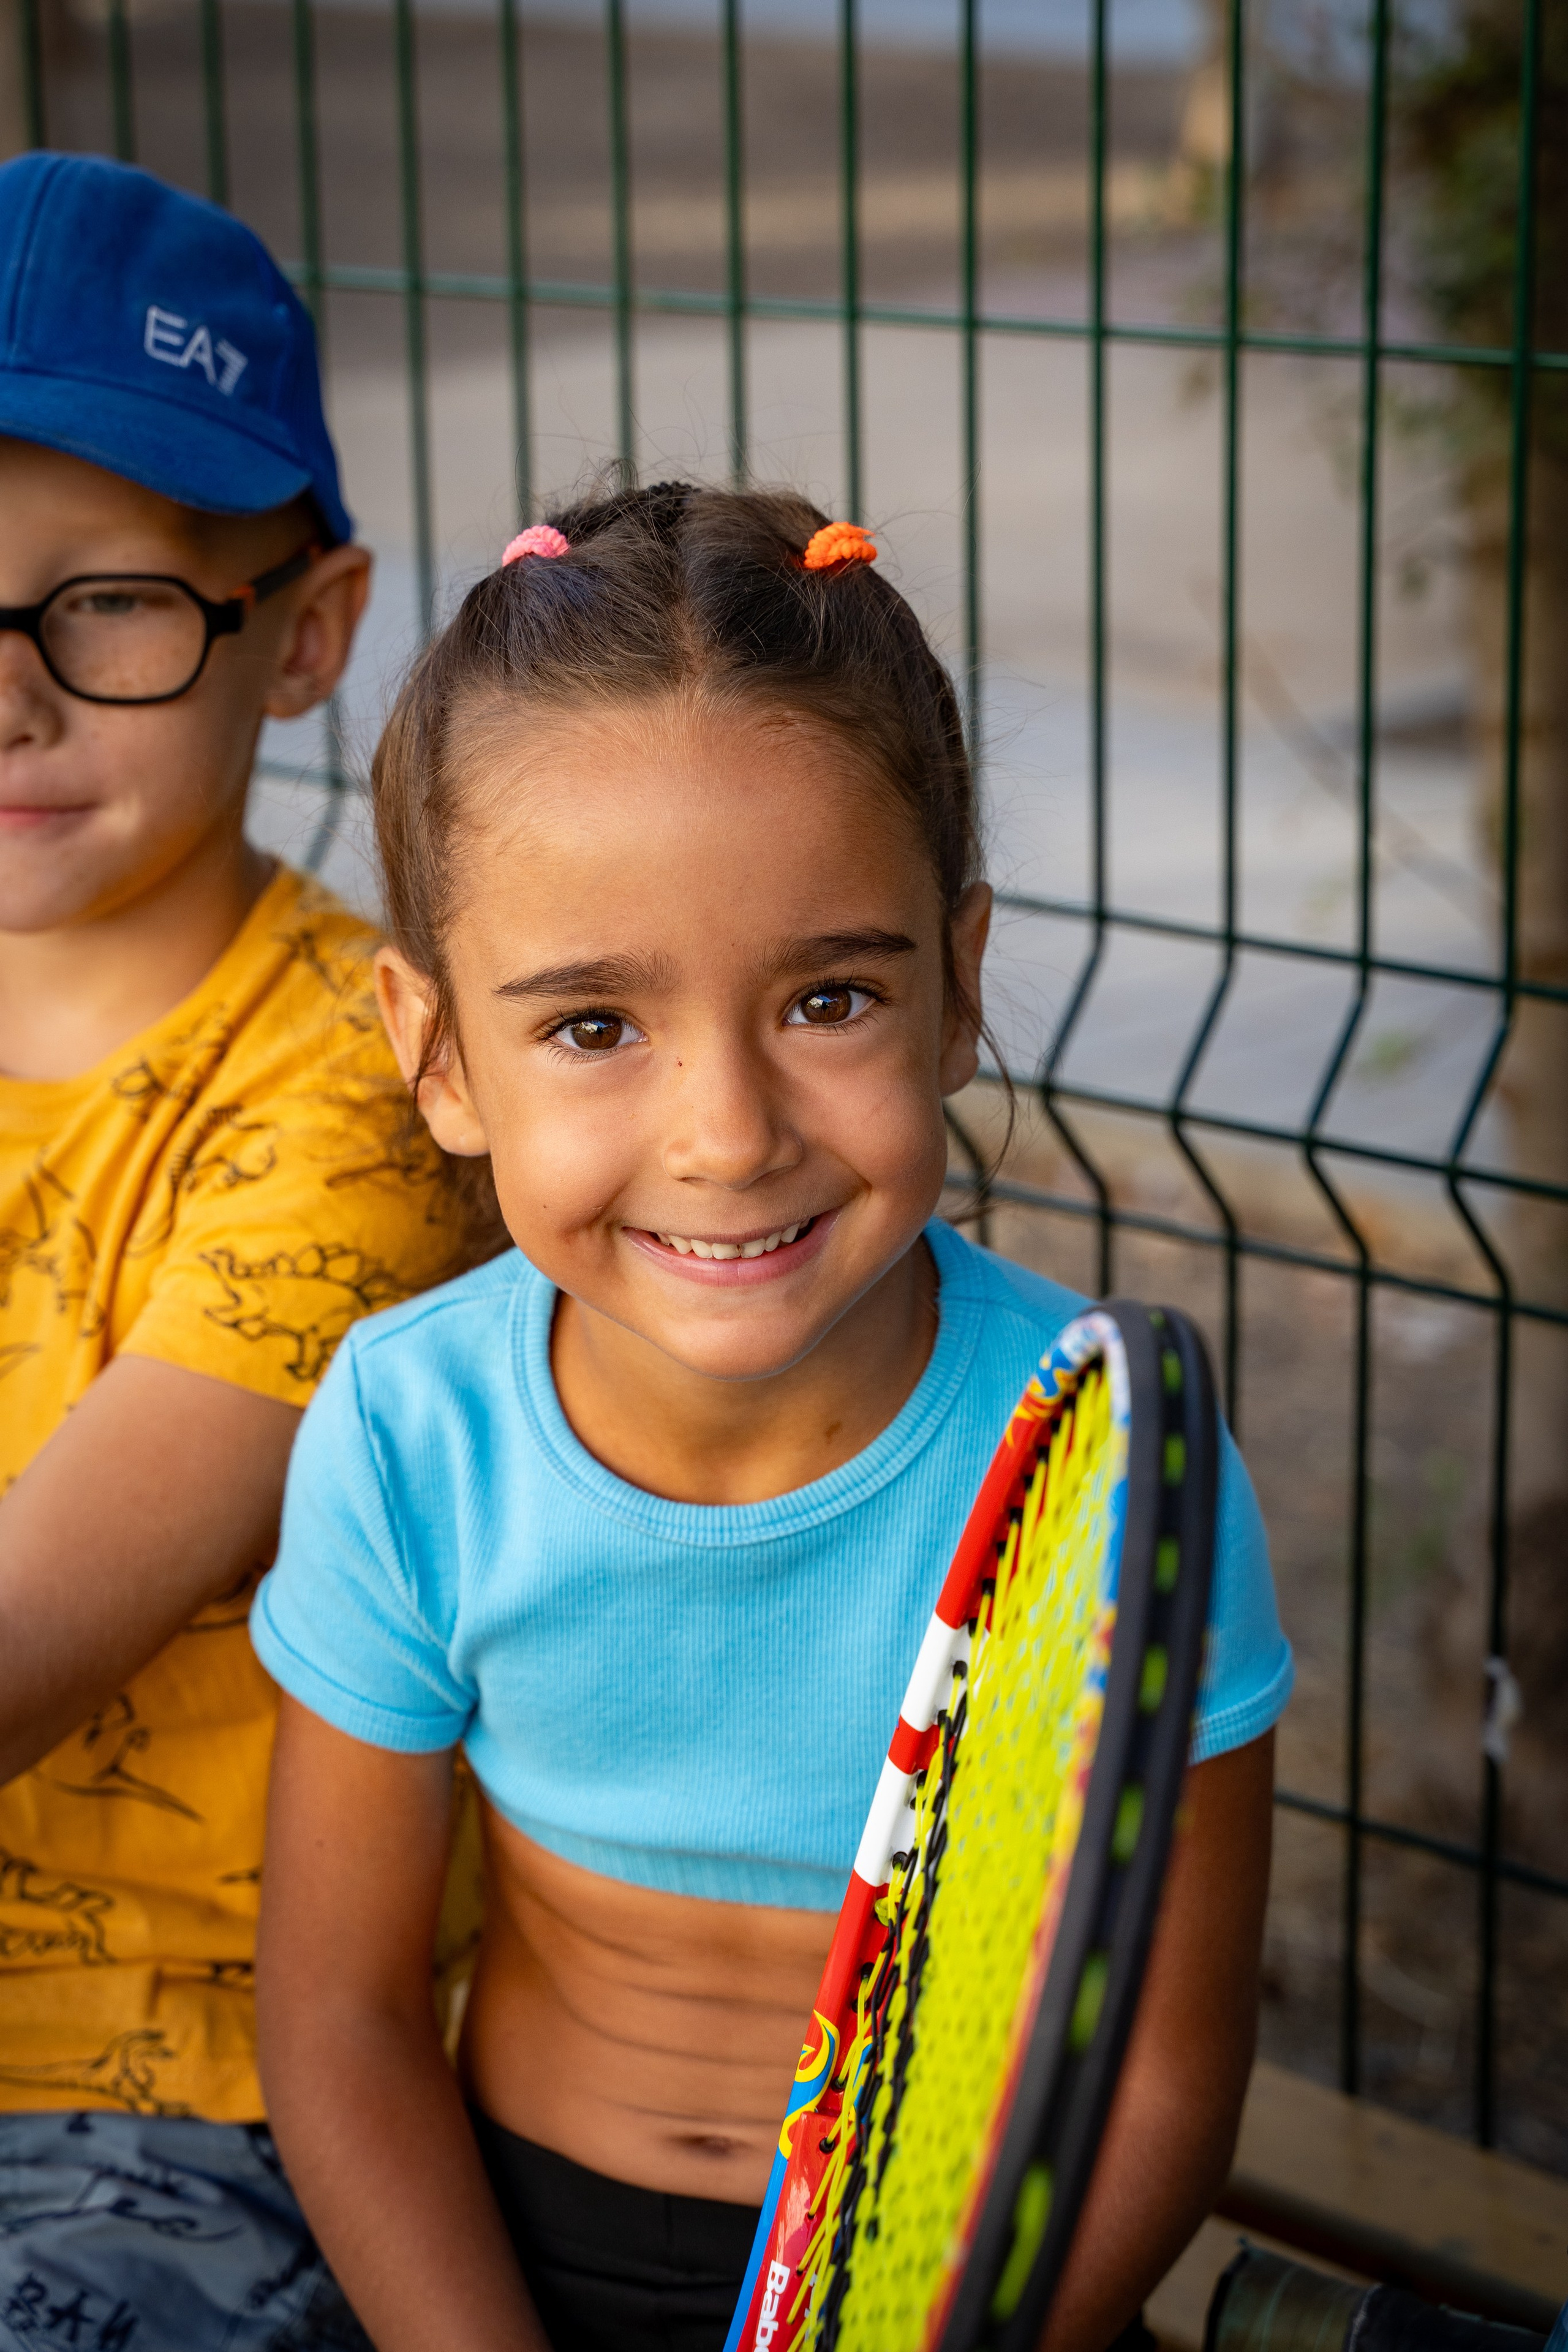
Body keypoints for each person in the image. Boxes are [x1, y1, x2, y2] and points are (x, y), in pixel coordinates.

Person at [251, 484, 1295, 2352]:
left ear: (959, 985)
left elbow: (1158, 2079)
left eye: (827, 997)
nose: (729, 1134)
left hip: (988, 2301)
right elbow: (339, 2021)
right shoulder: (413, 1444)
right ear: (438, 1056)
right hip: (509, 2274)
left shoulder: (1121, 1475)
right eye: (592, 1027)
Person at [0, 151, 492, 2351]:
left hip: (180, 2111)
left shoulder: (348, 1097)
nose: (9, 701)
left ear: (301, 634)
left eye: (100, 606)